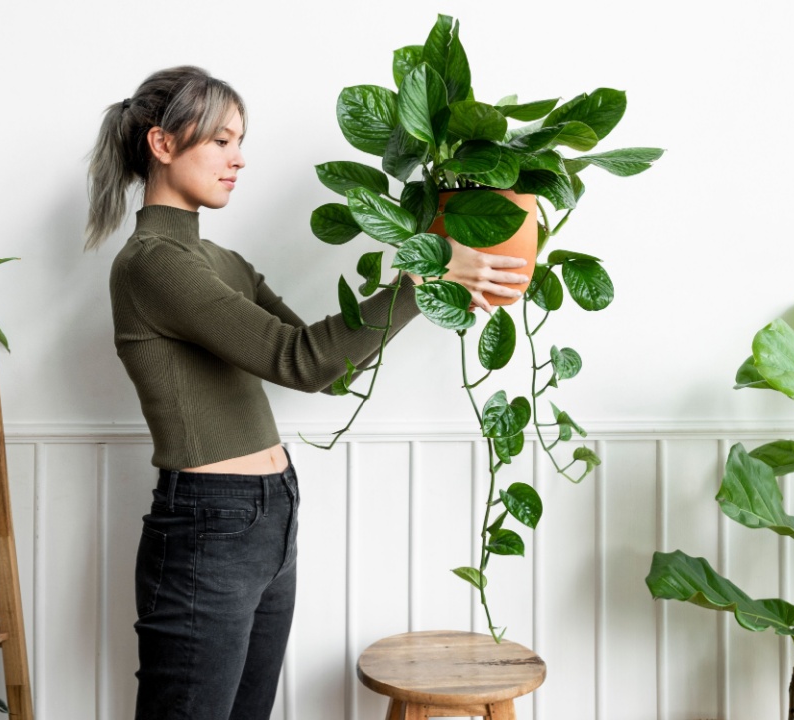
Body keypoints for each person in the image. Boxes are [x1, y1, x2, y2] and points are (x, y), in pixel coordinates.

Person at [83, 65, 529, 720]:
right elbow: (300, 363)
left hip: (271, 514)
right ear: (163, 143)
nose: (239, 158)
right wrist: (420, 279)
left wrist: (435, 279)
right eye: (221, 141)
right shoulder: (153, 263)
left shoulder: (223, 264)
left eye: (240, 141)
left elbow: (332, 369)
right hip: (210, 526)